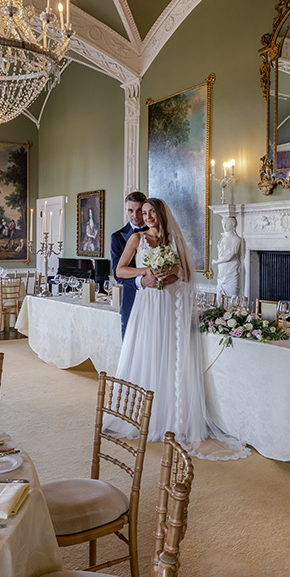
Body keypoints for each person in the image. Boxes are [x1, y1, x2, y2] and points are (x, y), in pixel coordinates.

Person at [105, 197, 246, 460]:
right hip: (148, 304)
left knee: (171, 353)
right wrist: (146, 272)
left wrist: (173, 274)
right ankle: (144, 413)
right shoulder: (136, 239)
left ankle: (171, 414)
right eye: (143, 212)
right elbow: (120, 270)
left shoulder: (174, 240)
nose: (146, 217)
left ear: (161, 214)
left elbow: (187, 273)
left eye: (151, 212)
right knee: (148, 352)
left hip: (171, 304)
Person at [110, 191, 174, 336]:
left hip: (161, 301)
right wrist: (142, 280)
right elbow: (117, 273)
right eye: (130, 210)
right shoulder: (117, 237)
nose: (136, 215)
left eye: (140, 210)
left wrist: (172, 275)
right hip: (132, 299)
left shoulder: (159, 232)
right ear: (126, 210)